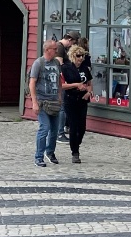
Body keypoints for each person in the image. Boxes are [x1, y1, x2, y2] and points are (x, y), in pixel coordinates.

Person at [29, 39, 62, 167]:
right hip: (42, 101)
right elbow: (32, 83)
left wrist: (59, 95)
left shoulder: (56, 63)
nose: (56, 50)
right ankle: (38, 156)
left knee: (54, 129)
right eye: (54, 48)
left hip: (54, 101)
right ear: (48, 49)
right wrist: (34, 102)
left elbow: (59, 80)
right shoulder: (39, 63)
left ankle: (50, 152)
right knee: (45, 128)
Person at [61, 44, 92, 163]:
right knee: (73, 126)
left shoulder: (85, 68)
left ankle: (76, 143)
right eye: (79, 56)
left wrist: (89, 92)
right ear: (73, 56)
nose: (81, 58)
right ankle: (75, 152)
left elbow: (89, 83)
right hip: (71, 99)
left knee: (82, 127)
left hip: (83, 99)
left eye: (83, 56)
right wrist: (76, 85)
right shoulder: (66, 68)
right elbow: (62, 85)